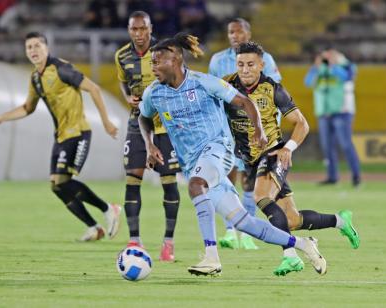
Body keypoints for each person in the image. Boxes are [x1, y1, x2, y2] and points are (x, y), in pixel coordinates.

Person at [138, 32, 326, 276]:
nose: (152, 66)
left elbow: (246, 102)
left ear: (175, 60)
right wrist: (150, 145)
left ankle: (211, 256)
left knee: (196, 185)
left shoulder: (204, 83)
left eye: (156, 61)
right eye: (151, 61)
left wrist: (258, 129)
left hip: (218, 149)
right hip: (193, 161)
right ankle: (303, 245)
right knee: (243, 222)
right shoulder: (154, 93)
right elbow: (143, 116)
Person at [224, 41, 360, 275]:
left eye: (250, 64)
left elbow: (302, 123)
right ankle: (341, 221)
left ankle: (291, 256)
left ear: (261, 65)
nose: (245, 69)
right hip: (249, 160)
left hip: (274, 153)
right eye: (240, 64)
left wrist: (289, 148)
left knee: (260, 196)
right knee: (291, 220)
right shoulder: (226, 85)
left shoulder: (273, 88)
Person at [0, 32, 121, 242]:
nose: (33, 50)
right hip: (61, 137)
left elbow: (93, 88)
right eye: (29, 47)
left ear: (46, 48)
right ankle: (94, 228)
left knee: (62, 181)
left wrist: (106, 122)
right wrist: (1, 118)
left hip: (78, 132)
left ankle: (108, 208)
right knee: (56, 186)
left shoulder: (61, 68)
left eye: (37, 45)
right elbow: (27, 108)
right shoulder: (36, 79)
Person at [208, 17, 282, 251]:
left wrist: (271, 129)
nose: (234, 36)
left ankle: (246, 231)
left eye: (238, 32)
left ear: (248, 34)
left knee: (250, 182)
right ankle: (230, 229)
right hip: (229, 131)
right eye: (231, 32)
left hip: (256, 132)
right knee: (227, 178)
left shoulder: (265, 59)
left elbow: (274, 92)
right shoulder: (218, 60)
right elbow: (213, 94)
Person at [114, 11, 180, 262]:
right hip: (136, 123)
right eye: (134, 30)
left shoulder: (165, 52)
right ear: (129, 30)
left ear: (151, 29)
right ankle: (135, 240)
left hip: (165, 125)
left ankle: (168, 243)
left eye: (143, 29)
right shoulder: (121, 55)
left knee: (168, 181)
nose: (139, 34)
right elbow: (123, 81)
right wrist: (126, 97)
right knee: (133, 179)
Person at [304, 48, 362, 187]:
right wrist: (315, 67)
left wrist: (333, 65)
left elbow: (347, 77)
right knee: (327, 147)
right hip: (324, 112)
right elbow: (308, 82)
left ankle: (356, 176)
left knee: (346, 144)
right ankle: (332, 176)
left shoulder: (346, 66)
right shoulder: (319, 68)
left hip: (342, 112)